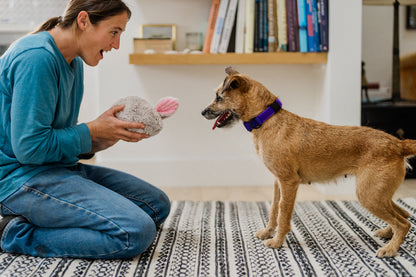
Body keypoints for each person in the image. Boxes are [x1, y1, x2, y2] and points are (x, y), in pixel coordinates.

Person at [0, 0, 170, 259]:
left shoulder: (73, 61)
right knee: (135, 232)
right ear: (83, 21)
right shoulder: (36, 58)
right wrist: (90, 131)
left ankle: (54, 216)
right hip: (19, 179)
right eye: (114, 32)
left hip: (55, 169)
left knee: (156, 205)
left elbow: (57, 137)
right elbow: (30, 149)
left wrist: (102, 137)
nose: (116, 44)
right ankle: (14, 233)